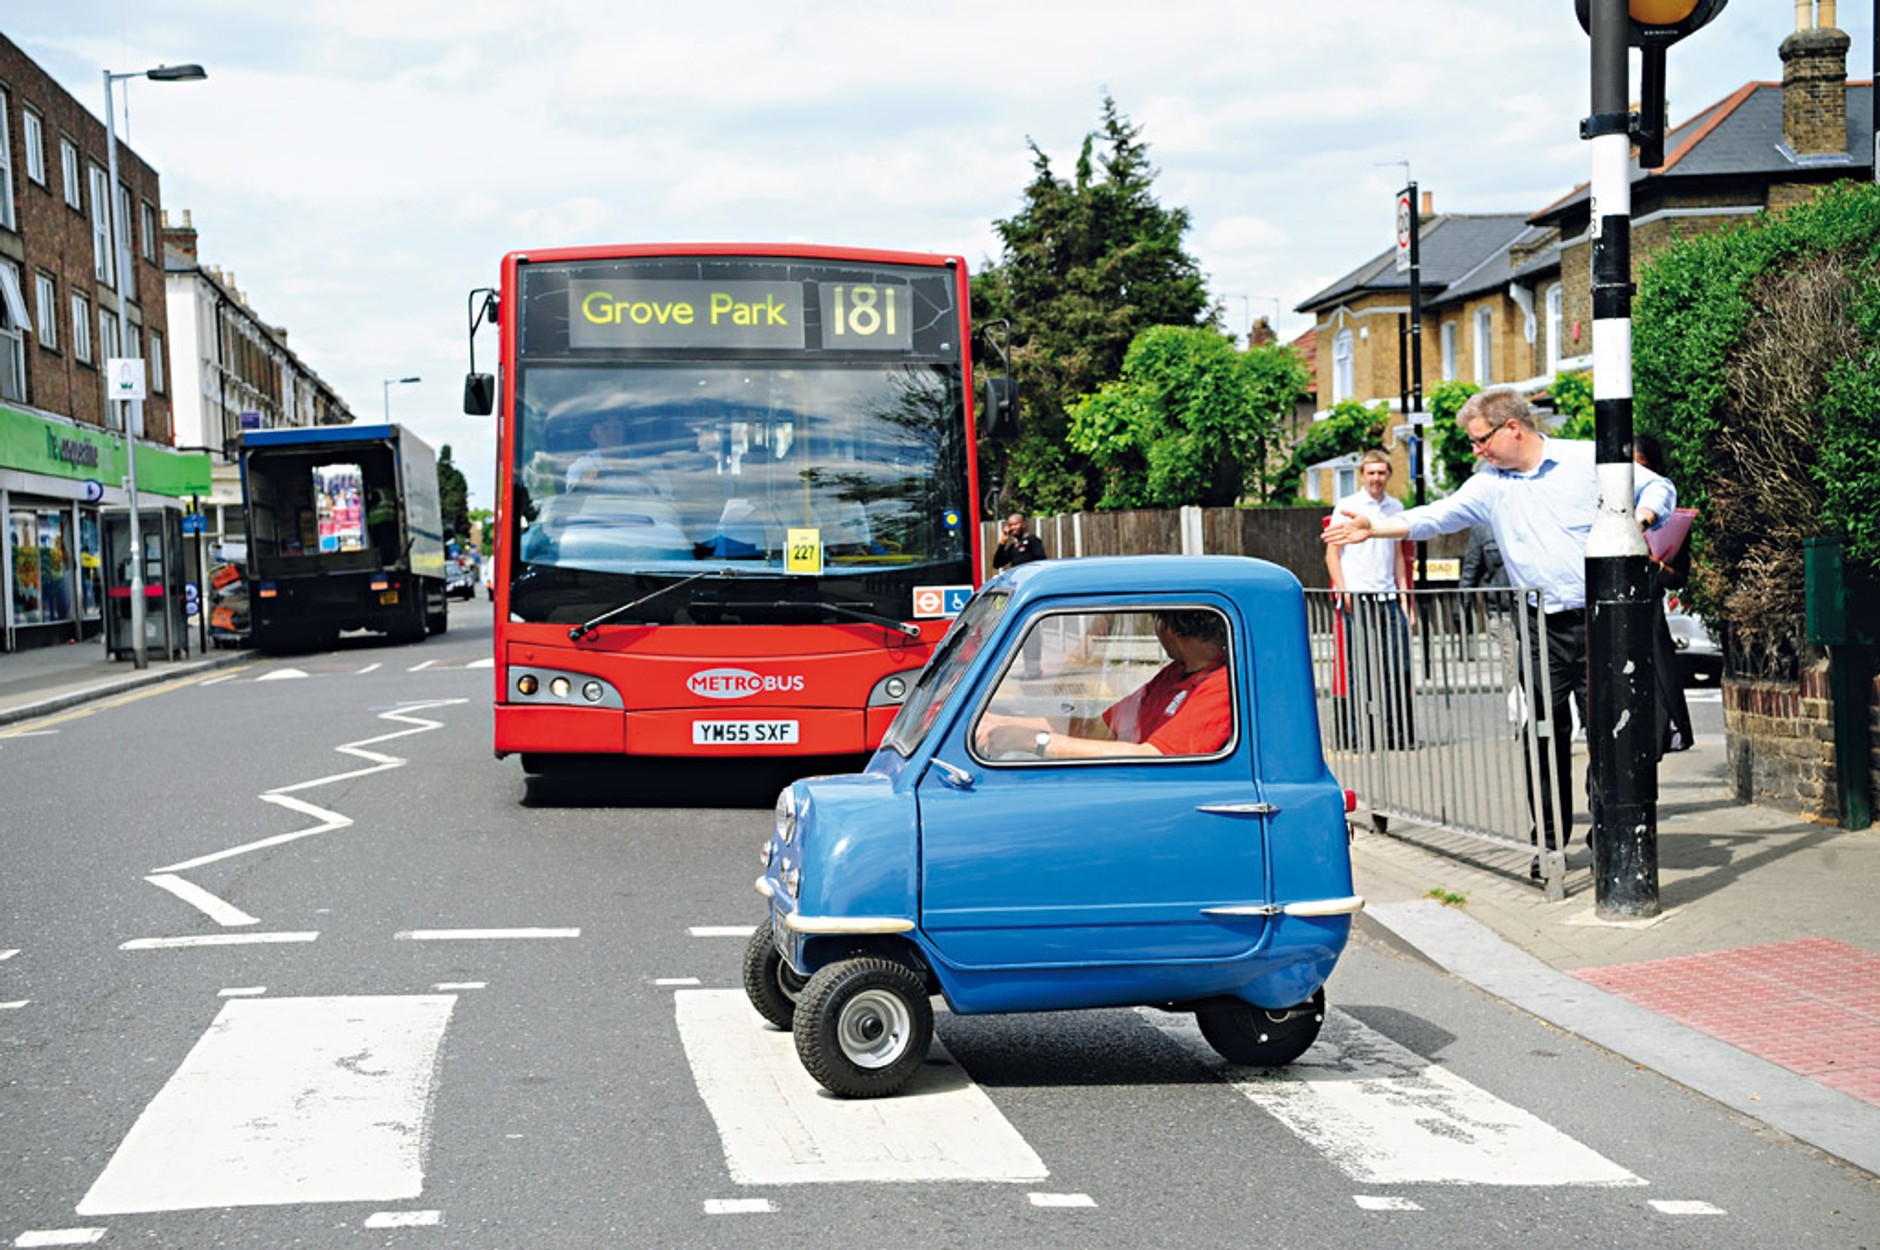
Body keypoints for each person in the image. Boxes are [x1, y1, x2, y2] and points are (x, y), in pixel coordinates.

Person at [1322, 388, 1674, 878]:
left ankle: (1607, 835)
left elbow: (1658, 487)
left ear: (1513, 427)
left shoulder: (1582, 457)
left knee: (1606, 731)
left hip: (1599, 620)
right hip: (1537, 623)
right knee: (1544, 732)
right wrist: (1377, 529)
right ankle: (1548, 844)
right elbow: (1439, 514)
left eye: (1480, 440)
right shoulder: (1489, 485)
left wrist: (1639, 517)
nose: (1476, 451)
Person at [975, 609, 1231, 759]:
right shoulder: (1176, 674)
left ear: (1165, 627)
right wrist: (1000, 722)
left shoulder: (1222, 686)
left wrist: (1036, 742)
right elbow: (1101, 728)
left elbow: (1152, 757)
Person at [1324, 450, 1416, 749]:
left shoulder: (1396, 507)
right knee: (1358, 668)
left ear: (1389, 474)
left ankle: (1395, 735)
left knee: (1396, 667)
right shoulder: (1347, 507)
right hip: (1358, 596)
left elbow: (1398, 559)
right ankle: (1355, 736)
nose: (1376, 478)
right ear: (1362, 475)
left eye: (1381, 473)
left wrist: (1404, 599)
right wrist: (1344, 589)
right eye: (1371, 473)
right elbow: (1332, 554)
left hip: (1387, 595)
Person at [1635, 433, 1694, 754]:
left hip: (1649, 618)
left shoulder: (1668, 518)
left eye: (1643, 469)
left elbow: (1678, 577)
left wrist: (1655, 565)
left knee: (1656, 706)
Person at [992, 514, 1048, 677]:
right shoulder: (1015, 546)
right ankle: (1029, 668)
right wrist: (1002, 543)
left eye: (1015, 524)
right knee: (1024, 631)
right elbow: (997, 563)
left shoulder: (1032, 541)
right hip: (1020, 592)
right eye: (1010, 525)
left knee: (1032, 632)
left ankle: (1034, 669)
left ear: (1023, 524)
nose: (1012, 528)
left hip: (1032, 592)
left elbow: (1042, 562)